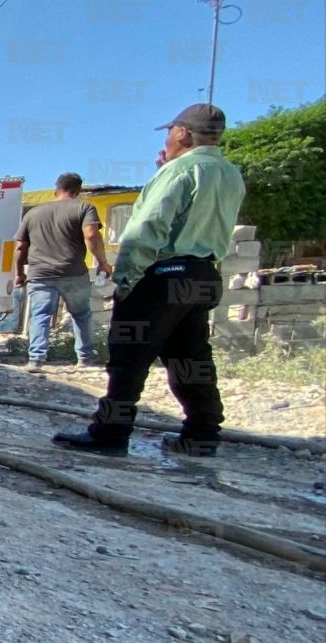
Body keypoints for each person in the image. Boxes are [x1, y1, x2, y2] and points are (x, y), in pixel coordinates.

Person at [54, 104, 245, 458]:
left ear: (183, 133)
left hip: (164, 275)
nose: (168, 138)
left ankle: (110, 433)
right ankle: (201, 434)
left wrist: (125, 280)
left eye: (170, 132)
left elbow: (146, 230)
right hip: (202, 275)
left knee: (128, 360)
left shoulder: (181, 171)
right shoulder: (229, 173)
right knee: (191, 359)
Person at [13, 173, 112, 372]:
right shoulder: (84, 207)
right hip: (73, 272)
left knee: (40, 315)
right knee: (81, 314)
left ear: (56, 189)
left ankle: (36, 360)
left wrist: (19, 273)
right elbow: (92, 234)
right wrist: (103, 262)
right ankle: (85, 359)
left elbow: (20, 247)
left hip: (40, 274)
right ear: (78, 191)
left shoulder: (33, 213)